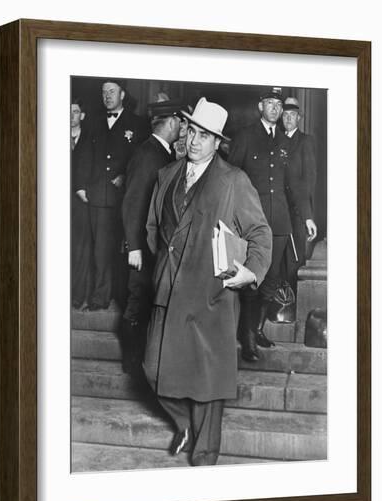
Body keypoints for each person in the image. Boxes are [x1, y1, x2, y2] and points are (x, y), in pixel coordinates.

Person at [143, 98, 272, 466]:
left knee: (207, 388)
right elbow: (154, 229)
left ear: (218, 142)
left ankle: (205, 465)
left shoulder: (234, 181)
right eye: (192, 131)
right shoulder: (167, 175)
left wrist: (250, 271)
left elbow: (260, 234)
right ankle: (183, 425)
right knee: (152, 371)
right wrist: (168, 265)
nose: (195, 141)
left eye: (205, 136)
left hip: (210, 298)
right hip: (168, 291)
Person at [228, 88, 310, 361]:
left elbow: (295, 184)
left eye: (278, 104)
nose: (275, 108)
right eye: (270, 103)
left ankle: (257, 328)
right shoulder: (246, 136)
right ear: (260, 105)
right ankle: (248, 339)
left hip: (281, 221)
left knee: (272, 280)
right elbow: (232, 177)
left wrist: (307, 215)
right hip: (254, 222)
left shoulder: (286, 142)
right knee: (253, 279)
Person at [121, 100, 185, 373]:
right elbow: (132, 202)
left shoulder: (162, 152)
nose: (182, 127)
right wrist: (134, 246)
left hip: (154, 244)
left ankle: (141, 359)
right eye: (180, 122)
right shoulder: (149, 154)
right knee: (137, 302)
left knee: (147, 301)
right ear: (171, 123)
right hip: (143, 246)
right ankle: (132, 362)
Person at [76, 79, 148, 311]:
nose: (107, 96)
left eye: (112, 91)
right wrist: (80, 186)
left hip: (126, 198)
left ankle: (124, 297)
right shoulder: (94, 123)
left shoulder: (137, 124)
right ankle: (100, 298)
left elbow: (141, 158)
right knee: (100, 251)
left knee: (127, 249)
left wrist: (126, 176)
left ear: (123, 94)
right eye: (104, 92)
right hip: (97, 196)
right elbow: (84, 155)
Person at [281, 97, 317, 293]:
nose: (288, 118)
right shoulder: (277, 140)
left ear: (299, 118)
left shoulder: (305, 141)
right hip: (278, 208)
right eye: (285, 115)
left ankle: (292, 301)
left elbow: (309, 181)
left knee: (295, 259)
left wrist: (307, 215)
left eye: (292, 115)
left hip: (297, 211)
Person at [71, 98, 93, 309]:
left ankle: (77, 295)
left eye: (75, 112)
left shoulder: (91, 139)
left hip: (81, 203)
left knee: (80, 250)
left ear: (82, 115)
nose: (71, 116)